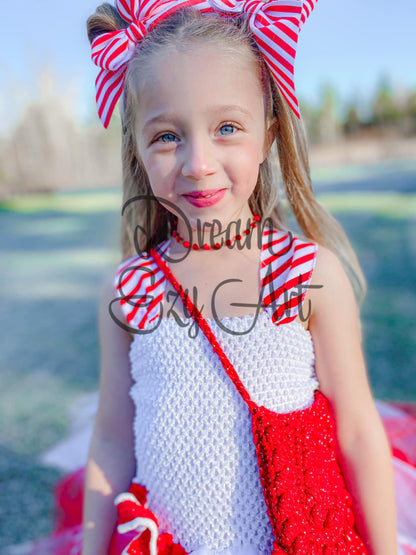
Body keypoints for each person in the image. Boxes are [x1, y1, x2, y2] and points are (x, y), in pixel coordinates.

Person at [28, 0, 416, 554]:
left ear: (268, 135)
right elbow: (113, 438)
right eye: (166, 136)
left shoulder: (308, 276)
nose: (198, 162)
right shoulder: (130, 289)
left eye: (227, 128)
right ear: (137, 148)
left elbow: (356, 432)